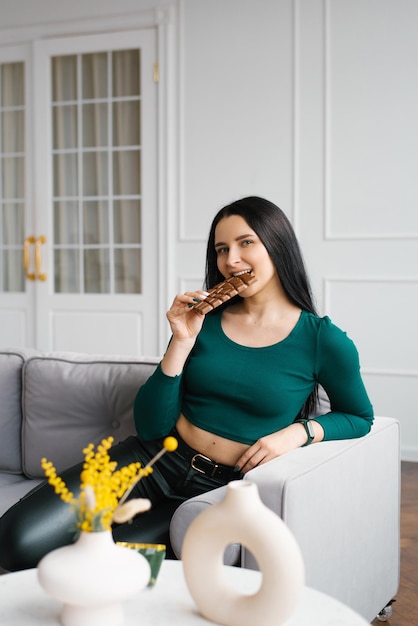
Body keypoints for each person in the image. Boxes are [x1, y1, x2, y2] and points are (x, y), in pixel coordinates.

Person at [0, 196, 373, 571]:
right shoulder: (202, 320)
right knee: (15, 541)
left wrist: (299, 432)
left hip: (218, 492)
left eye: (246, 243)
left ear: (277, 245)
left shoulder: (323, 339)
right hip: (153, 460)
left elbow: (359, 416)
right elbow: (151, 426)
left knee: (100, 569)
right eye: (221, 249)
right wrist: (181, 339)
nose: (231, 261)